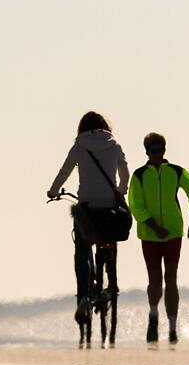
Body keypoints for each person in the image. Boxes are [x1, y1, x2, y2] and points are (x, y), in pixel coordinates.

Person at [47, 112, 130, 312]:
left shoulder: (78, 147)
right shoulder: (114, 145)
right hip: (109, 207)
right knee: (109, 242)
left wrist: (54, 191)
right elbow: (125, 172)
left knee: (82, 252)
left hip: (86, 209)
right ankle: (110, 286)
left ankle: (84, 295)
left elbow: (64, 172)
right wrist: (121, 190)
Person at [128, 132, 189, 344]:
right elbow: (135, 204)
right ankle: (153, 314)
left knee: (171, 278)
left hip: (172, 232)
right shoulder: (139, 175)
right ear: (147, 152)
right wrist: (152, 224)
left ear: (165, 150)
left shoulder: (176, 171)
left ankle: (171, 327)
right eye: (154, 150)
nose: (158, 154)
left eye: (161, 150)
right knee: (154, 280)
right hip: (150, 234)